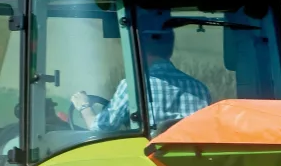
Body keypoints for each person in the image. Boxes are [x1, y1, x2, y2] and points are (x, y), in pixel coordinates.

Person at [70, 25, 211, 132]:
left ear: (139, 49)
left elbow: (101, 128)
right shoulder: (199, 88)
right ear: (170, 49)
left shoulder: (133, 86)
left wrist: (84, 107)